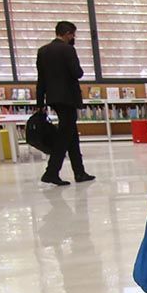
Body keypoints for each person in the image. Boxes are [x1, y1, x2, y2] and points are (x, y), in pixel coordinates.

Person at [36, 21, 94, 185]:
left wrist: (40, 103)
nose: (73, 37)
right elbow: (77, 73)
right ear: (67, 33)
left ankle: (79, 172)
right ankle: (51, 172)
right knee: (64, 136)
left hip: (53, 99)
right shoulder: (68, 50)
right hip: (68, 98)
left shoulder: (43, 51)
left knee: (71, 134)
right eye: (73, 34)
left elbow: (41, 80)